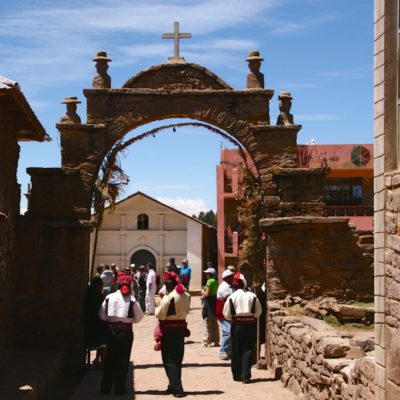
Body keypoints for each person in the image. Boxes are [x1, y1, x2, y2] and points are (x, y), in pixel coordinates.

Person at [99, 278, 144, 395]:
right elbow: (139, 317)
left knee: (109, 359)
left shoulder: (109, 297)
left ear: (116, 284)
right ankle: (119, 389)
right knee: (123, 360)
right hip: (126, 334)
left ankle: (105, 388)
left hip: (111, 332)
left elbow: (102, 315)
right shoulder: (132, 299)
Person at [155, 271, 190, 398]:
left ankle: (177, 388)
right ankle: (172, 384)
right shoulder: (187, 296)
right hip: (180, 330)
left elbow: (159, 315)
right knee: (178, 359)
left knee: (169, 360)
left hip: (169, 331)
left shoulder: (168, 298)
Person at [223, 272, 262, 384]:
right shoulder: (252, 296)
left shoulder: (231, 297)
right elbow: (258, 312)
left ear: (234, 285)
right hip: (250, 326)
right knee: (248, 349)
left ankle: (237, 375)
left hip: (237, 326)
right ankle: (246, 375)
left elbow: (226, 314)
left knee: (236, 349)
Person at [84, 276, 108, 368]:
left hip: (91, 322)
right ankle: (102, 362)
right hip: (98, 322)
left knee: (99, 344)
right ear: (98, 285)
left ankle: (97, 359)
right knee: (103, 343)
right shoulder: (98, 296)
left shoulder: (89, 295)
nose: (102, 286)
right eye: (101, 284)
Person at [216, 269, 234, 360]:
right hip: (223, 312)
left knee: (228, 331)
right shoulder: (224, 287)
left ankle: (229, 350)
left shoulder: (230, 286)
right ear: (227, 278)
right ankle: (223, 351)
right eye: (231, 276)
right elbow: (229, 297)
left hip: (227, 312)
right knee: (228, 331)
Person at [201, 267, 219, 347]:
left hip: (208, 303)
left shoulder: (209, 281)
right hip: (214, 302)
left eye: (207, 274)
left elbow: (207, 293)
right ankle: (216, 340)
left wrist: (202, 291)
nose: (206, 275)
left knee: (207, 322)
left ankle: (206, 341)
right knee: (214, 322)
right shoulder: (216, 281)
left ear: (210, 274)